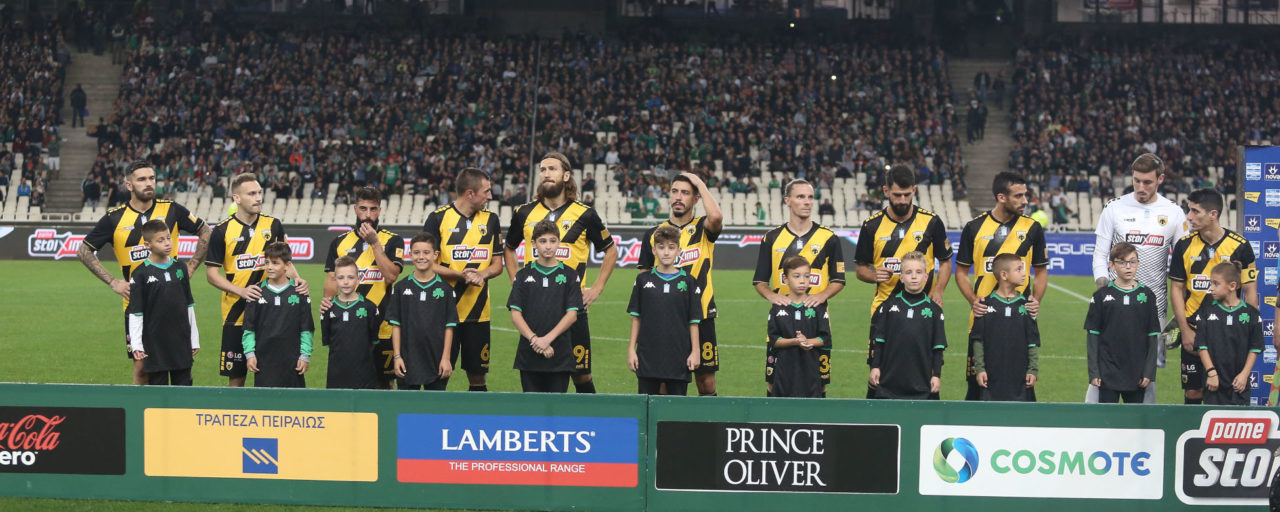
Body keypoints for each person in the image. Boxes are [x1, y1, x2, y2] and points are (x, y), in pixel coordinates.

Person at [78, 159, 210, 385]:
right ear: (129, 185)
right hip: (138, 305)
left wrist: (192, 265)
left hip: (173, 303)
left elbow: (205, 230)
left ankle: (178, 407)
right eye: (141, 179)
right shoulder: (114, 218)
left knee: (182, 364)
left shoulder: (171, 209)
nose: (149, 183)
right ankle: (145, 408)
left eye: (151, 178)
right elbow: (84, 250)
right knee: (141, 367)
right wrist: (113, 282)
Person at [505, 152, 617, 394]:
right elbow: (509, 247)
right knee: (535, 371)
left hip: (572, 309)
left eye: (552, 169)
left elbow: (610, 250)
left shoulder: (585, 214)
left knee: (581, 374)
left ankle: (587, 418)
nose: (546, 174)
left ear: (566, 176)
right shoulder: (523, 212)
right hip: (535, 309)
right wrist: (515, 281)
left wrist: (597, 289)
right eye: (543, 169)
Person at [1089, 153, 1186, 403]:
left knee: (1148, 374)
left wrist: (1180, 314)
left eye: (1147, 182)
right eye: (1136, 181)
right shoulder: (1114, 207)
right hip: (1113, 305)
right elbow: (1100, 253)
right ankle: (1093, 421)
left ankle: (1145, 424)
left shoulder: (1174, 213)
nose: (1140, 187)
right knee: (1102, 367)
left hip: (1154, 309)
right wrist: (1103, 290)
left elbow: (1183, 265)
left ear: (1160, 179)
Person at [855, 163, 952, 399]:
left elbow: (946, 262)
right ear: (885, 191)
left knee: (926, 372)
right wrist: (873, 275)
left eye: (907, 195)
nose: (902, 200)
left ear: (914, 190)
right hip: (883, 311)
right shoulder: (871, 225)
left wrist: (938, 291)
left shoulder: (931, 222)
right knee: (878, 374)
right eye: (897, 195)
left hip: (923, 310)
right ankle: (875, 417)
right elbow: (860, 269)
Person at [206, 173, 308, 388]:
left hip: (272, 316)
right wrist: (241, 291)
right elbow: (211, 275)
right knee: (237, 379)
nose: (258, 198)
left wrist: (298, 280)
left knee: (276, 375)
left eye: (259, 193)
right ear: (236, 198)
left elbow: (286, 262)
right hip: (236, 314)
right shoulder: (221, 231)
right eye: (251, 194)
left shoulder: (273, 225)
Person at [955, 171, 1047, 400]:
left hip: (1019, 322)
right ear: (1001, 197)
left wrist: (1036, 300)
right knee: (976, 390)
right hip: (983, 322)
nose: (1025, 200)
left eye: (1025, 195)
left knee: (1021, 390)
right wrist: (974, 301)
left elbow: (1041, 271)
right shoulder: (974, 227)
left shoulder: (1033, 228)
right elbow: (961, 272)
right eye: (1018, 196)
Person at [637, 172, 723, 396]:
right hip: (664, 320)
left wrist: (699, 183)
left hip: (701, 316)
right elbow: (644, 282)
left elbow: (716, 216)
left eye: (685, 193)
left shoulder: (703, 228)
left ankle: (708, 421)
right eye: (674, 191)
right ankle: (667, 420)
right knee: (664, 382)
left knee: (706, 383)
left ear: (695, 199)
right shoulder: (653, 234)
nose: (678, 197)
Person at [754, 178, 845, 389]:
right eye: (801, 197)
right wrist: (772, 296)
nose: (807, 202)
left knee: (819, 385)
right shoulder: (771, 238)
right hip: (782, 322)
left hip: (816, 323)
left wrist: (821, 296)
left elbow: (839, 279)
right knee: (774, 384)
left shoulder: (829, 238)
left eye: (810, 197)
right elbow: (759, 280)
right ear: (787, 200)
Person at [1170, 189, 1258, 404]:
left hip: (1228, 334)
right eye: (1189, 210)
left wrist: (1248, 331)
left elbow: (1250, 291)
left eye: (1195, 211)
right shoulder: (1183, 245)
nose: (1189, 216)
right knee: (1193, 392)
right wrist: (1185, 330)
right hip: (1194, 330)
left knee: (1227, 391)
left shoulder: (1240, 246)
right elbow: (1177, 289)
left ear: (1213, 214)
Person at [422, 168, 503, 392]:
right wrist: (461, 275)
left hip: (479, 313)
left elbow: (498, 265)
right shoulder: (437, 218)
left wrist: (482, 274)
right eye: (486, 191)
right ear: (470, 193)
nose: (490, 196)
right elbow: (427, 264)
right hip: (442, 312)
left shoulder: (491, 220)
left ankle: (475, 415)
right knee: (438, 376)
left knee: (478, 378)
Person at [321, 186, 404, 389]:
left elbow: (391, 276)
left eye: (373, 209)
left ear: (380, 210)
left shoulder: (393, 240)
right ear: (355, 209)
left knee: (384, 383)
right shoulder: (339, 242)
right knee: (346, 381)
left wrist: (375, 243)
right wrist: (327, 302)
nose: (368, 215)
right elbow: (331, 279)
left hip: (383, 327)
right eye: (363, 208)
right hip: (348, 328)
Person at [507, 220, 582, 393]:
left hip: (559, 353)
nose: (548, 246)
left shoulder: (570, 275)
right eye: (542, 241)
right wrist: (535, 340)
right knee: (532, 407)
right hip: (529, 354)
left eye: (552, 241)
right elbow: (515, 314)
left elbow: (572, 315)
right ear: (534, 244)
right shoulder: (522, 276)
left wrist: (546, 340)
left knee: (556, 407)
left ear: (559, 242)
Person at [627, 225, 703, 396]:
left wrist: (695, 351)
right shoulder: (643, 280)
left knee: (676, 408)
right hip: (648, 355)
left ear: (679, 251)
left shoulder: (689, 281)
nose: (666, 252)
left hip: (679, 356)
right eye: (661, 247)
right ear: (654, 250)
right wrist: (632, 349)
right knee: (646, 404)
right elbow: (636, 317)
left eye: (671, 247)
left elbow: (693, 321)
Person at [1085, 242, 1160, 404]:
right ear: (1111, 265)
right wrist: (1094, 372)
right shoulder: (1101, 296)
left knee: (1134, 418)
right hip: (1107, 372)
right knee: (1107, 417)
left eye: (1132, 262)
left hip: (1137, 373)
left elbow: (1153, 336)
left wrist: (1149, 372)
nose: (1128, 267)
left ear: (1138, 264)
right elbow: (1093, 336)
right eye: (1122, 262)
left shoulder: (1147, 295)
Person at [126, 219, 199, 386]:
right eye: (160, 240)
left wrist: (194, 339)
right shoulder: (140, 274)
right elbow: (136, 312)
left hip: (180, 341)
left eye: (168, 238)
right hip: (154, 344)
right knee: (159, 391)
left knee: (184, 389)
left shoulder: (180, 268)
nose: (167, 243)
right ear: (147, 245)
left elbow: (189, 304)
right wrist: (137, 345)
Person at [868, 252, 946, 400]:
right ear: (901, 277)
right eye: (908, 272)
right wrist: (875, 366)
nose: (914, 276)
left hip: (922, 383)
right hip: (889, 382)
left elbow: (938, 347)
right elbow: (878, 341)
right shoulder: (888, 306)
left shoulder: (935, 311)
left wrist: (936, 375)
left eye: (919, 272)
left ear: (926, 277)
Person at [388, 232, 457, 391]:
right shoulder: (400, 288)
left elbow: (449, 327)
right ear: (410, 254)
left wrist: (446, 358)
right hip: (407, 360)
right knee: (408, 404)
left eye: (426, 252)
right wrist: (397, 357)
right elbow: (396, 325)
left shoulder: (446, 290)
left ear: (435, 255)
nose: (421, 257)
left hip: (436, 361)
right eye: (416, 252)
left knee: (434, 405)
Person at [242, 242, 314, 389]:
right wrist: (250, 354)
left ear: (287, 265)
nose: (269, 267)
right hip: (263, 359)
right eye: (267, 262)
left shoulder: (299, 292)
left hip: (292, 359)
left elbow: (306, 328)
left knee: (293, 399)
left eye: (275, 263)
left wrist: (305, 355)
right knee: (265, 399)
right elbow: (248, 328)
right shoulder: (256, 292)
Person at [971, 253, 1040, 402]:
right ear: (1004, 275)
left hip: (1020, 378)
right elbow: (978, 340)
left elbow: (1032, 341)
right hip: (991, 377)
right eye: (1018, 269)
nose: (1024, 273)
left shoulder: (1027, 305)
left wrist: (1033, 369)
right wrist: (980, 369)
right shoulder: (984, 306)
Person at [1195, 262, 1264, 406]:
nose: (1211, 288)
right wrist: (1211, 372)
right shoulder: (1206, 311)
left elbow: (1255, 347)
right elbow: (1201, 345)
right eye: (1211, 283)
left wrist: (1244, 375)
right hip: (1214, 383)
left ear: (1232, 286)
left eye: (1216, 284)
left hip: (1239, 385)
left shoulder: (1251, 314)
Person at [765, 255, 831, 398]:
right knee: (778, 395)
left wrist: (807, 341)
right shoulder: (778, 307)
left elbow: (825, 338)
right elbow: (774, 340)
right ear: (785, 279)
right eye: (796, 276)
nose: (802, 281)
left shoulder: (818, 306)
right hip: (784, 367)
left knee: (814, 396)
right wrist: (795, 341)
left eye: (807, 276)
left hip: (811, 366)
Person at [321, 256, 382, 390]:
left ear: (358, 279)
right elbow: (329, 341)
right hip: (337, 373)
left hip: (364, 373)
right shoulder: (327, 309)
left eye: (350, 277)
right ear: (335, 280)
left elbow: (373, 341)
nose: (346, 282)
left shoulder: (369, 307)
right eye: (341, 278)